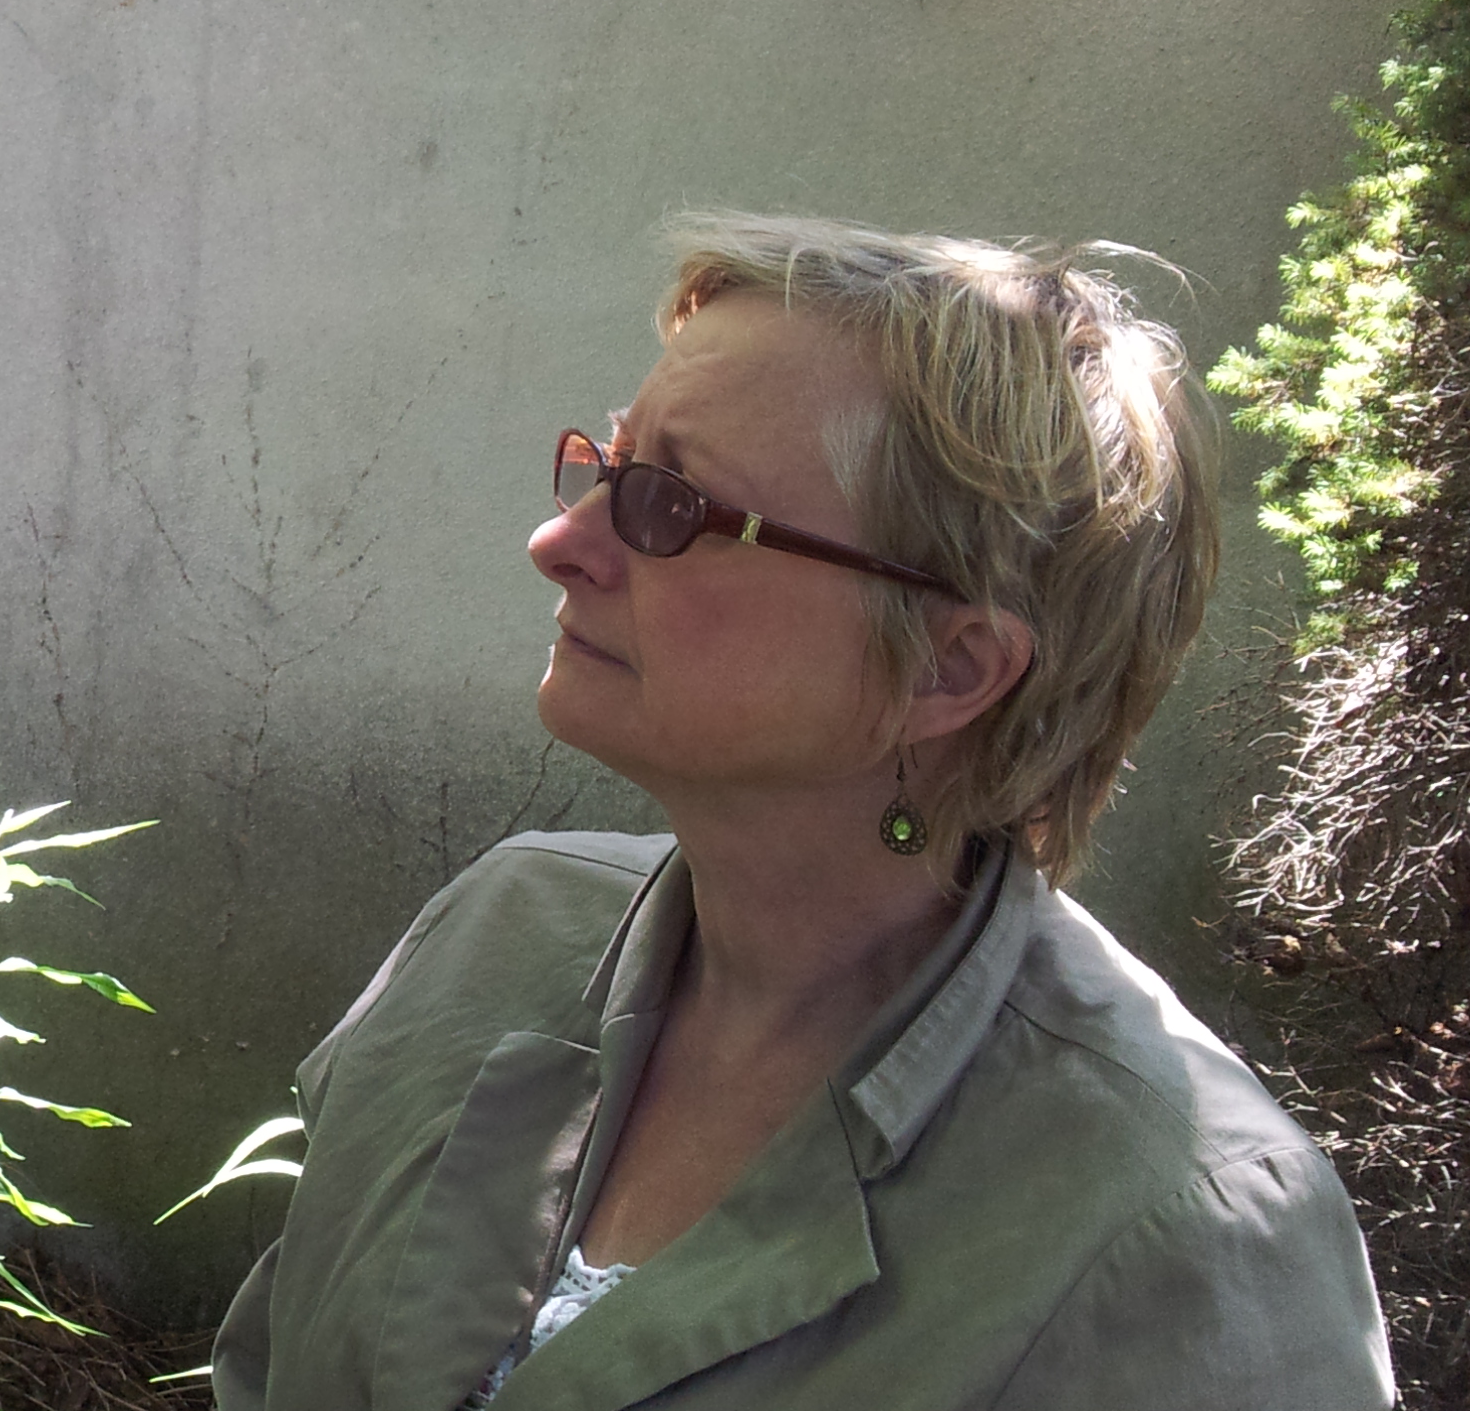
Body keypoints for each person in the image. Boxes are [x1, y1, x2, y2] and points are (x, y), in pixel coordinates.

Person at [212, 215, 1393, 1411]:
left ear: (947, 668)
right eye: (609, 466)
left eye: (671, 504)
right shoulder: (500, 932)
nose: (558, 542)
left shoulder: (1185, 1233)